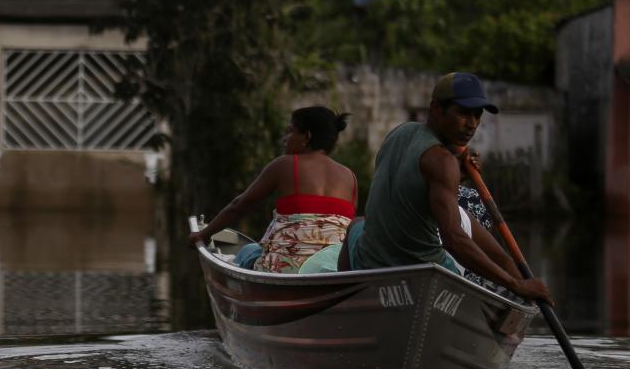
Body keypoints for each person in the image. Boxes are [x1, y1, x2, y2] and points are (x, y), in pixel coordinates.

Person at [340, 72, 553, 305]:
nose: (471, 124)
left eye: (477, 115)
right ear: (436, 109)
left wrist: (456, 175)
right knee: (470, 228)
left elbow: (413, 189)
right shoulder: (443, 161)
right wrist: (516, 286)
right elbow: (453, 239)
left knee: (354, 227)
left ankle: (346, 302)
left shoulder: (399, 133)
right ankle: (518, 280)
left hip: (370, 262)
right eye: (463, 113)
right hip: (424, 269)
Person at [190, 106, 358, 273]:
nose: (284, 138)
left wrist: (204, 234)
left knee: (249, 251)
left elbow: (239, 206)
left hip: (287, 270)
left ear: (307, 136)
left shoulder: (286, 164)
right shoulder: (350, 177)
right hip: (332, 271)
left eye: (290, 131)